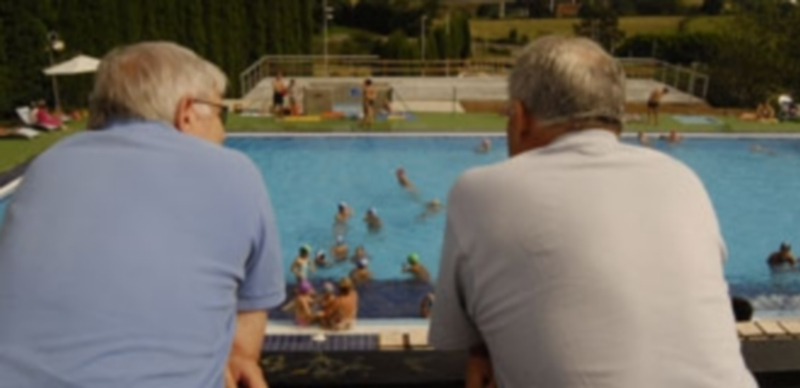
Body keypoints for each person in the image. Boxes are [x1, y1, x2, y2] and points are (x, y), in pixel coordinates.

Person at [429, 36, 755, 388]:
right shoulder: (682, 180)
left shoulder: (478, 192)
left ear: (520, 117)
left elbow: (452, 336)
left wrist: (482, 350)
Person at [0, 42, 285, 388]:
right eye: (219, 112)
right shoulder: (234, 171)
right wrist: (239, 356)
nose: (223, 132)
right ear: (188, 112)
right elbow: (252, 311)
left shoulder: (47, 166)